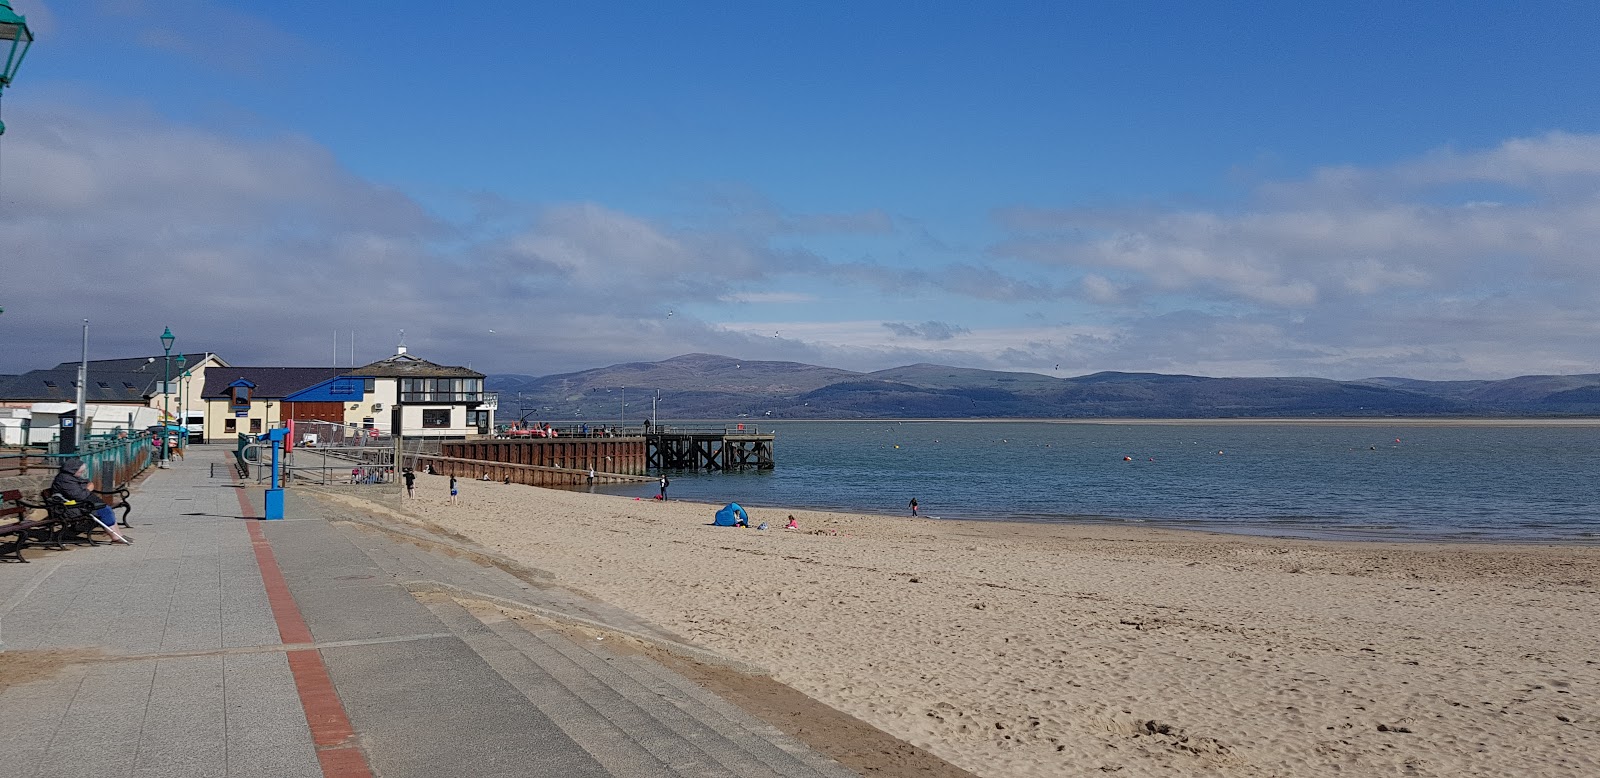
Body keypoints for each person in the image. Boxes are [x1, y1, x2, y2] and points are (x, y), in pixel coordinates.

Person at [50, 457, 131, 545]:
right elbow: (79, 495)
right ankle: (114, 536)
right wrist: (88, 489)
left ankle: (118, 534)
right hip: (69, 508)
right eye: (80, 472)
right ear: (73, 470)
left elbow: (83, 486)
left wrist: (87, 487)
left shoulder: (69, 477)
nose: (81, 474)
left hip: (77, 504)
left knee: (105, 508)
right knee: (104, 510)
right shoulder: (64, 480)